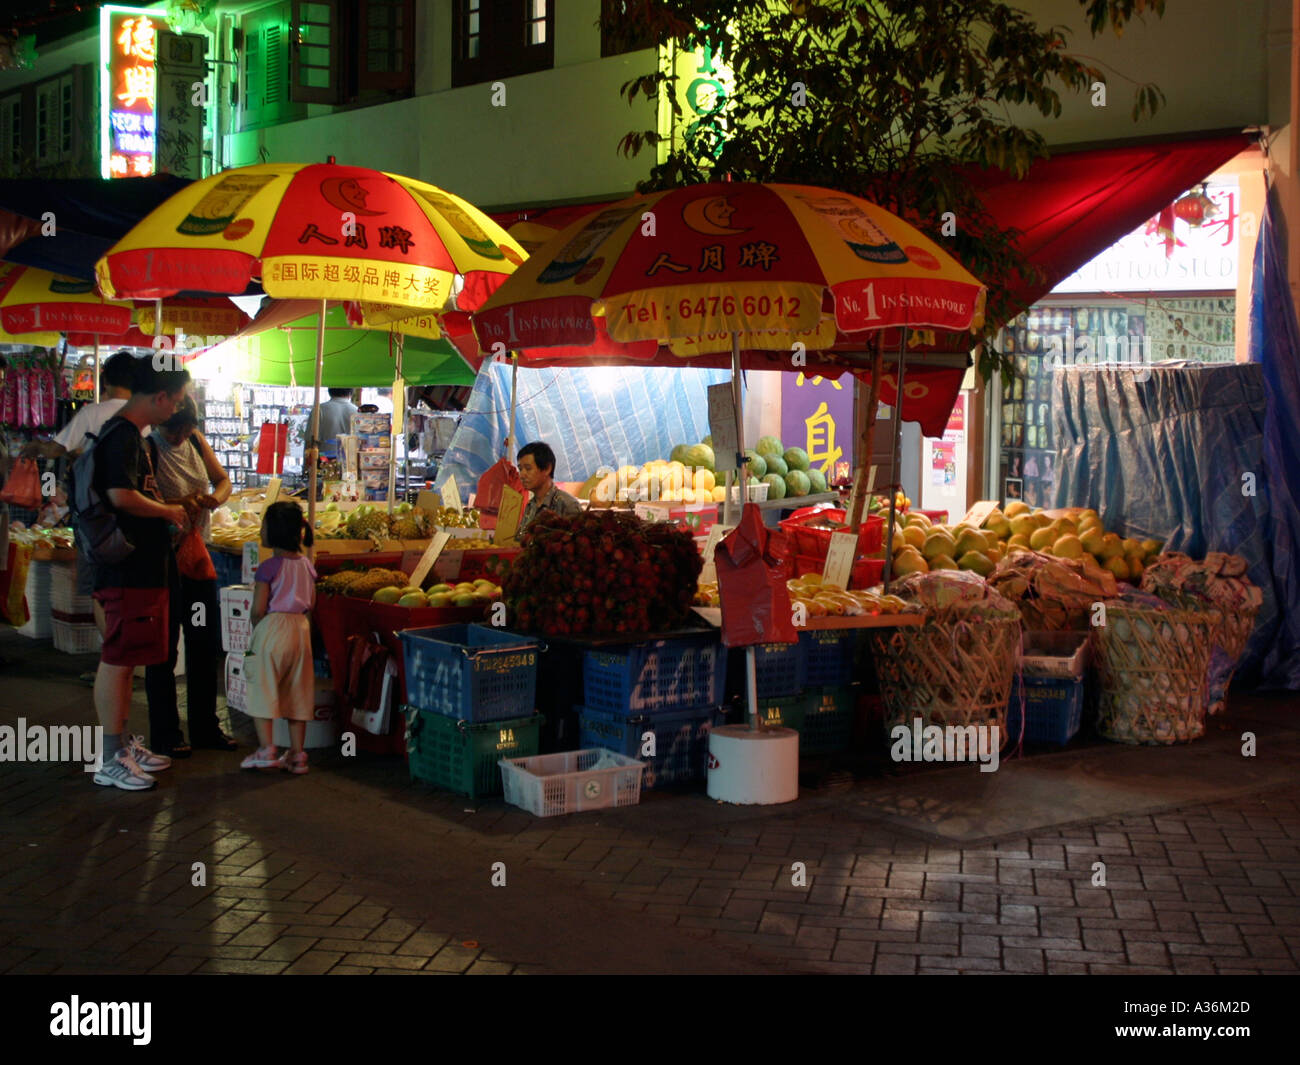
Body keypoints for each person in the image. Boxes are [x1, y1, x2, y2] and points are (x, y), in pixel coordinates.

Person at [89, 361, 192, 792]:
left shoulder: (132, 435)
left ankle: (123, 747)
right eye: (179, 398)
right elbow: (119, 495)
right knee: (118, 659)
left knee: (127, 658)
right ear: (160, 397)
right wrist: (167, 510)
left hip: (140, 567)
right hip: (127, 565)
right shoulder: (123, 435)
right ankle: (110, 756)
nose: (181, 407)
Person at [144, 396, 237, 757]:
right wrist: (180, 506)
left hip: (199, 560)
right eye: (174, 428)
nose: (180, 435)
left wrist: (215, 499)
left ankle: (205, 727)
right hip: (164, 563)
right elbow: (142, 500)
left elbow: (223, 480)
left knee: (201, 644)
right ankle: (166, 733)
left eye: (186, 428)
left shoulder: (197, 441)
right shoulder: (149, 448)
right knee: (164, 650)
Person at [240, 500, 316, 775]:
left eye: (263, 524)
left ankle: (267, 749)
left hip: (272, 628)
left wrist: (259, 630)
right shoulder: (307, 565)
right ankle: (297, 755)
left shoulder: (268, 567)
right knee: (298, 693)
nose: (260, 530)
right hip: (301, 630)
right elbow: (311, 604)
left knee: (263, 688)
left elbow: (258, 609)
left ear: (273, 531)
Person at [517, 441, 581, 532]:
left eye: (528, 468)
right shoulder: (531, 505)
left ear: (547, 468)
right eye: (520, 469)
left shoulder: (567, 505)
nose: (522, 475)